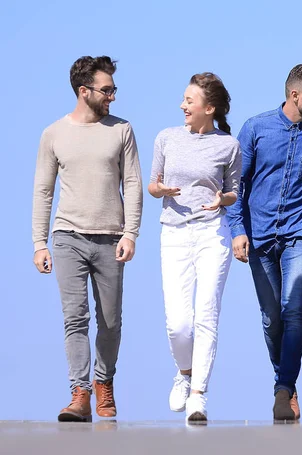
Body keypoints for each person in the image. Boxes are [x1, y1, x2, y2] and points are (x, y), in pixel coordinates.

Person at [32, 56, 143, 422]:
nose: (112, 96)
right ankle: (79, 393)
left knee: (110, 321)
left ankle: (103, 382)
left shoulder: (122, 130)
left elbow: (132, 183)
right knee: (74, 318)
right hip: (67, 237)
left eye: (113, 89)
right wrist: (39, 242)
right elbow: (43, 190)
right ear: (84, 91)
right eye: (106, 90)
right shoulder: (53, 134)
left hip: (111, 238)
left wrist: (131, 233)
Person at [227, 63, 302, 421]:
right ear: (295, 95)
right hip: (258, 236)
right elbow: (236, 186)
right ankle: (285, 383)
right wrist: (237, 230)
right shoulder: (256, 128)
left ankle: (283, 387)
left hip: (301, 234)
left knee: (293, 308)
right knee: (272, 317)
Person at [148, 73, 241, 424]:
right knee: (178, 323)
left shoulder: (228, 145)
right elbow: (153, 184)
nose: (182, 106)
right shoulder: (167, 138)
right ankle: (184, 373)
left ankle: (199, 395)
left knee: (206, 313)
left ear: (209, 108)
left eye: (189, 100)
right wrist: (161, 191)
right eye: (184, 100)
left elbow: (234, 191)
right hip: (173, 233)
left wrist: (223, 199)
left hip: (211, 233)